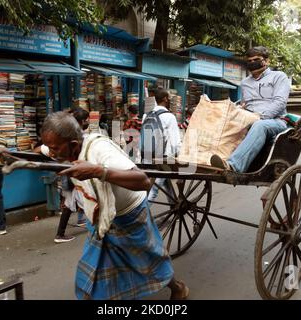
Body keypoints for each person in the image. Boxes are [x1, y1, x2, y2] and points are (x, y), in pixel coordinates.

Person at [39, 111, 188, 300]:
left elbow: (143, 181)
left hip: (129, 215)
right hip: (101, 219)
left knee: (149, 260)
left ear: (73, 145)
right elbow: (42, 150)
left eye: (54, 149)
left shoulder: (99, 149)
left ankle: (178, 288)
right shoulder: (62, 148)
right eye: (49, 148)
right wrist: (10, 155)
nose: (51, 153)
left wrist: (97, 171)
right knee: (90, 276)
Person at [211, 46, 291, 173]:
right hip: (249, 119)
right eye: (250, 60)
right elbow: (245, 105)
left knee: (260, 125)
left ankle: (233, 165)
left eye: (256, 59)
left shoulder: (279, 77)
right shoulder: (244, 83)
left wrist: (259, 117)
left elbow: (280, 103)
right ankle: (208, 159)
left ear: (267, 61)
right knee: (221, 122)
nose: (253, 63)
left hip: (275, 121)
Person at [34, 107, 88, 243]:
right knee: (71, 203)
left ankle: (79, 223)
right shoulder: (65, 141)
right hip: (72, 178)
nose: (53, 152)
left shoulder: (86, 142)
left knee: (73, 203)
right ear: (81, 122)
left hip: (78, 179)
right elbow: (39, 149)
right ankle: (60, 234)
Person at [143, 89, 181, 205]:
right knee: (154, 188)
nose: (169, 100)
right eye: (168, 98)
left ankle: (174, 205)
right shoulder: (169, 117)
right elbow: (175, 142)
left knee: (164, 181)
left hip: (148, 155)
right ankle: (142, 216)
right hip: (164, 157)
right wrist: (178, 155)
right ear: (165, 99)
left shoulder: (147, 115)